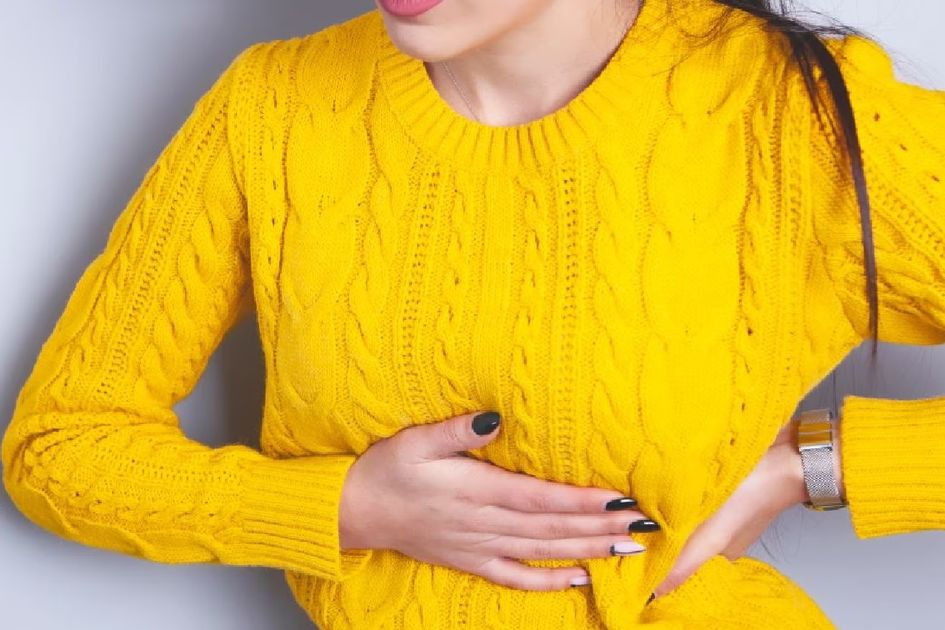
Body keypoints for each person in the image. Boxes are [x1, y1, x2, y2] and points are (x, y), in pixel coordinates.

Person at [2, 0, 943, 627]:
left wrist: (811, 465)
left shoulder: (791, 115)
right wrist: (348, 508)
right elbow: (62, 447)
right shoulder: (272, 108)